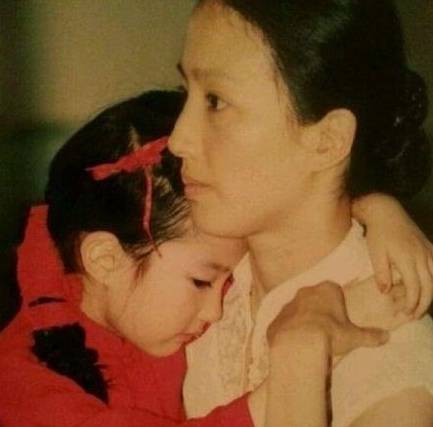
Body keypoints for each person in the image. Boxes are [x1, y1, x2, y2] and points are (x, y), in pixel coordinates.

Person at [0, 90, 396, 426]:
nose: (216, 312)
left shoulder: (148, 302)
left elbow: (285, 208)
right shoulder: (19, 384)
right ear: (105, 259)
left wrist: (377, 211)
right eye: (202, 282)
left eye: (227, 282)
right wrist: (298, 360)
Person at [168, 0, 433, 425]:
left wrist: (299, 352)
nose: (177, 139)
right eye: (187, 94)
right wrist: (375, 204)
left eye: (215, 101)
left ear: (327, 141)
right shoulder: (192, 263)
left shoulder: (393, 382)